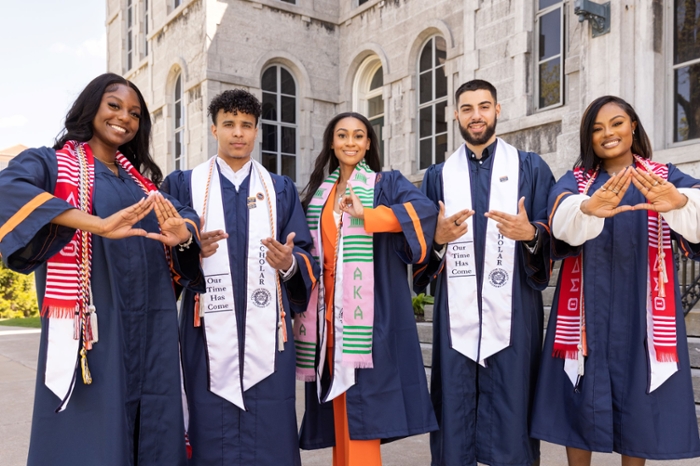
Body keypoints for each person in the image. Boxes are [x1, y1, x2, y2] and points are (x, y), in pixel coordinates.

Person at [0, 73, 202, 466]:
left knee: (153, 423)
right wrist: (97, 224)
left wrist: (184, 234)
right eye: (114, 105)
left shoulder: (145, 184)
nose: (124, 117)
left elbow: (186, 219)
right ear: (92, 106)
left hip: (152, 326)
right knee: (93, 429)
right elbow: (8, 188)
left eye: (135, 113)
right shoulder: (53, 164)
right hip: (94, 328)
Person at [531, 95, 700, 465]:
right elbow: (560, 219)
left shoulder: (664, 177)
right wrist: (587, 207)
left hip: (643, 308)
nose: (608, 133)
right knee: (578, 396)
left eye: (617, 123)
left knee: (637, 400)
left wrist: (680, 201)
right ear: (588, 138)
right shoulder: (576, 182)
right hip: (586, 311)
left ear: (633, 126)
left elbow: (696, 206)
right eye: (597, 128)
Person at [161, 89, 318, 466]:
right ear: (213, 129)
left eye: (246, 125)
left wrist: (288, 263)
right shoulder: (184, 184)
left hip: (268, 327)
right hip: (205, 326)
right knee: (206, 413)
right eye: (229, 124)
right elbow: (164, 248)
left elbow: (304, 253)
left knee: (269, 418)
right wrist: (189, 249)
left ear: (257, 132)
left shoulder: (279, 188)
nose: (238, 133)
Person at [415, 79, 555, 466]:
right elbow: (422, 251)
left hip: (514, 310)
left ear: (497, 110)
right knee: (454, 404)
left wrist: (531, 234)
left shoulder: (530, 167)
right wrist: (438, 240)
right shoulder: (438, 175)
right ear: (456, 115)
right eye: (467, 108)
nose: (476, 115)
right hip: (455, 311)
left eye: (484, 106)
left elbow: (551, 232)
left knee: (512, 402)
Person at [296, 112, 438, 465]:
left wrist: (368, 215)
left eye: (358, 136)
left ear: (368, 143)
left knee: (363, 415)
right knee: (340, 410)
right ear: (331, 142)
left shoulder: (384, 184)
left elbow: (423, 211)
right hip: (326, 318)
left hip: (367, 316)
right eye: (342, 135)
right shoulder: (318, 194)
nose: (350, 142)